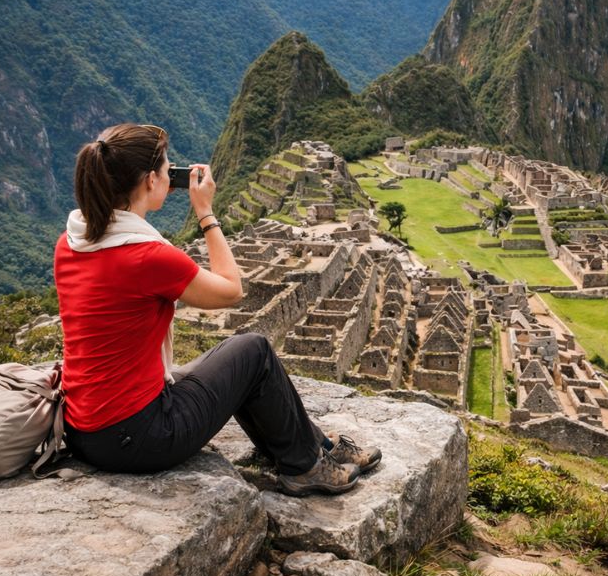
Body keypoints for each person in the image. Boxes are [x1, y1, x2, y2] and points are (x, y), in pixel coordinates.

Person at [53, 122, 380, 496]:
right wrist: (206, 212)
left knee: (233, 358)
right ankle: (305, 466)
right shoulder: (147, 256)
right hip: (139, 438)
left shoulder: (72, 241)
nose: (170, 174)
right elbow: (231, 290)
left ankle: (311, 444)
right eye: (166, 169)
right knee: (254, 350)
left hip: (82, 430)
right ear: (149, 181)